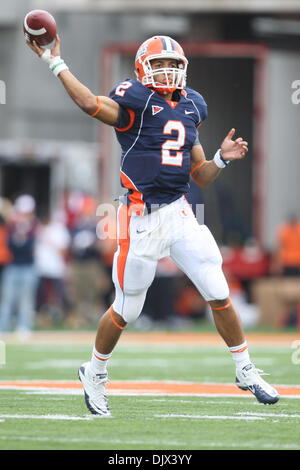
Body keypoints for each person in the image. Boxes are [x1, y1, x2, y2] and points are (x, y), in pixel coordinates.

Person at [26, 34, 279, 415]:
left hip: (178, 213)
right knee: (127, 309)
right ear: (143, 68)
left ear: (184, 69)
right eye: (159, 63)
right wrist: (56, 63)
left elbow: (201, 174)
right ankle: (94, 371)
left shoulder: (194, 104)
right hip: (140, 217)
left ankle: (244, 369)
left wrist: (222, 159)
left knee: (217, 288)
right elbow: (90, 103)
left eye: (174, 64)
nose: (168, 70)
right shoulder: (135, 100)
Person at [0, 195, 38, 337]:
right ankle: (3, 326)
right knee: (7, 298)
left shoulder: (34, 224)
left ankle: (24, 326)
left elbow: (30, 245)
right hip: (13, 265)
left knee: (26, 299)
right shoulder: (12, 224)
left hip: (28, 266)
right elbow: (10, 244)